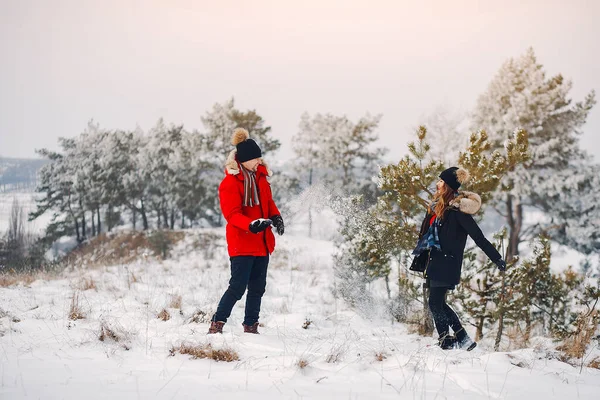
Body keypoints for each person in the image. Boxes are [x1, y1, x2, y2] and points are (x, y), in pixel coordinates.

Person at [411, 167, 506, 350]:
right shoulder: (437, 209)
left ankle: (453, 339)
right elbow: (426, 234)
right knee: (438, 303)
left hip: (447, 263)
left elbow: (479, 238)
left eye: (440, 181)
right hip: (435, 261)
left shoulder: (458, 213)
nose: (437, 184)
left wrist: (497, 259)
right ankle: (455, 340)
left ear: (447, 186)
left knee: (435, 302)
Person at [208, 128, 284, 335]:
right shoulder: (230, 183)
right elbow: (232, 214)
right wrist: (250, 225)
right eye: (256, 159)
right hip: (242, 243)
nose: (259, 161)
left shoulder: (261, 179)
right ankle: (217, 324)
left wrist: (276, 217)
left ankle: (251, 326)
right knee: (237, 287)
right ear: (244, 160)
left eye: (260, 158)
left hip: (262, 243)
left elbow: (268, 203)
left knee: (258, 288)